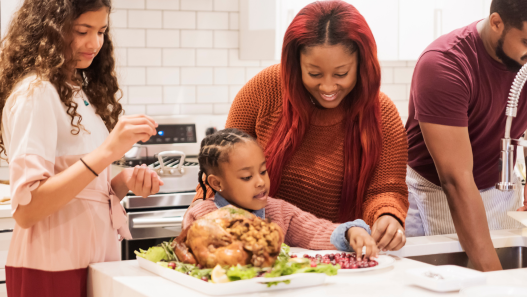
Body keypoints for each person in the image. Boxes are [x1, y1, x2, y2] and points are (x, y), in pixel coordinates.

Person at [188, 1, 409, 252]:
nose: (327, 87)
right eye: (314, 74)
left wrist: (387, 217)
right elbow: (221, 166)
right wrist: (201, 208)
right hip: (257, 249)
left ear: (361, 64)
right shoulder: (263, 91)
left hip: (337, 251)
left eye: (340, 74)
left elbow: (387, 189)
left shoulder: (382, 113)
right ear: (296, 64)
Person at [0, 0, 162, 296]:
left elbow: (83, 190)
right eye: (82, 30)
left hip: (95, 256)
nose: (95, 43)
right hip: (52, 261)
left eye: (101, 31)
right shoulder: (36, 93)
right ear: (48, 31)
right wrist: (108, 152)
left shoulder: (77, 92)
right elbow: (27, 209)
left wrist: (123, 183)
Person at [405, 0, 527, 271]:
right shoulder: (444, 65)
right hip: (440, 193)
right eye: (526, 42)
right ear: (496, 23)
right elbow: (456, 181)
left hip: (499, 191)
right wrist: (498, 282)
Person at [184, 128, 379, 260]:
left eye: (263, 171)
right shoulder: (202, 215)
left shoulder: (279, 211)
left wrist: (350, 232)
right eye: (246, 177)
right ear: (217, 183)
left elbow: (316, 231)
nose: (260, 182)